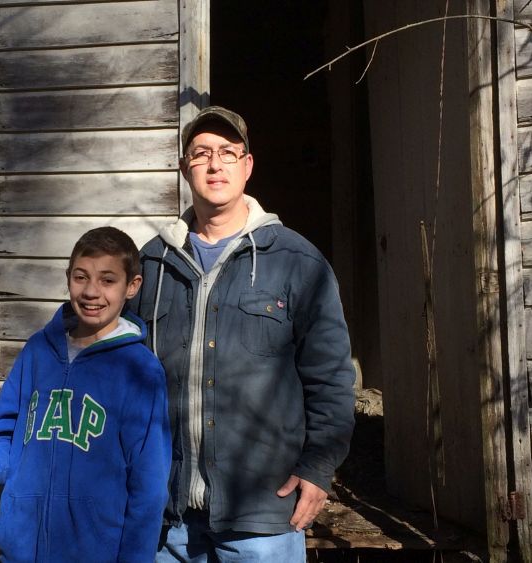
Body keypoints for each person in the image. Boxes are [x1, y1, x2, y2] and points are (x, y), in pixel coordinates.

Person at [129, 106, 356, 562]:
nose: (215, 165)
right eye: (201, 154)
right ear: (184, 169)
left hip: (262, 513)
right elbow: (114, 363)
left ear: (247, 166)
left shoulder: (296, 261)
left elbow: (330, 376)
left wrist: (318, 467)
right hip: (166, 518)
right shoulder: (152, 262)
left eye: (228, 153)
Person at [0, 226, 171, 562]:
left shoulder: (140, 370)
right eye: (81, 277)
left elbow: (149, 486)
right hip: (21, 548)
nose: (91, 291)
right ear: (68, 277)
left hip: (92, 551)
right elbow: (10, 439)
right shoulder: (37, 352)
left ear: (132, 286)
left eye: (107, 280)